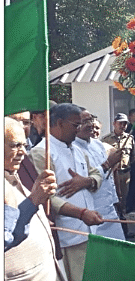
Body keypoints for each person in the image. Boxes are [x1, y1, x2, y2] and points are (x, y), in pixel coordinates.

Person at [30, 103, 104, 281]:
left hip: (88, 231)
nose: (79, 130)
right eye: (75, 125)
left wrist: (87, 181)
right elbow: (46, 197)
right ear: (60, 123)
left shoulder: (77, 149)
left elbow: (95, 173)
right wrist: (80, 213)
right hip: (67, 236)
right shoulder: (42, 153)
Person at [4, 118, 66, 281]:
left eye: (24, 145)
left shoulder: (12, 174)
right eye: (15, 145)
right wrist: (33, 201)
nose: (23, 152)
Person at [73, 109, 124, 240]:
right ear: (75, 124)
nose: (90, 125)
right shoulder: (72, 148)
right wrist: (108, 163)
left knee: (119, 250)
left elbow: (109, 178)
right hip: (90, 212)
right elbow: (84, 179)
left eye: (91, 119)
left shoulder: (98, 144)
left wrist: (115, 200)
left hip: (109, 209)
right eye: (85, 122)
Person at [101, 112, 135, 238]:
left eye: (125, 123)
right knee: (114, 202)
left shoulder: (130, 138)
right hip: (111, 175)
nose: (123, 126)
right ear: (114, 123)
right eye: (120, 123)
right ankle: (116, 229)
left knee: (124, 203)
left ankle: (124, 229)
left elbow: (132, 157)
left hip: (125, 174)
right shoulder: (106, 140)